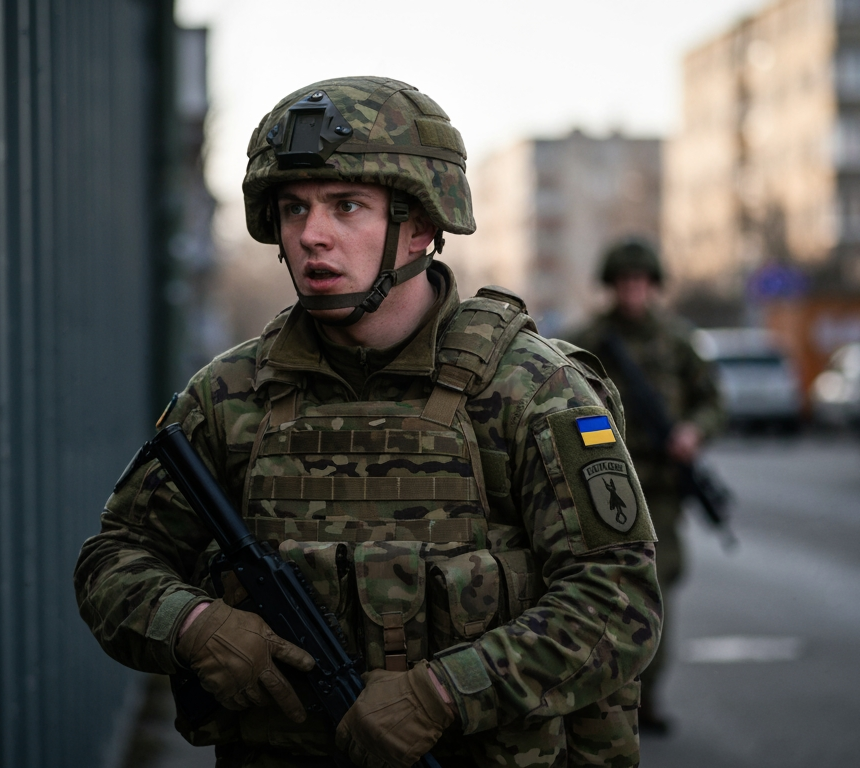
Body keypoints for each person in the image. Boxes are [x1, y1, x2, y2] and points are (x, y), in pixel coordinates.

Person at [75, 77, 661, 768]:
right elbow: (114, 559)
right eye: (293, 209)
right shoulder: (230, 396)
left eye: (346, 206)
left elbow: (618, 597)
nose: (311, 235)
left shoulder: (531, 390)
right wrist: (195, 625)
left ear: (421, 226)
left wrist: (444, 694)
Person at [565, 238, 725, 734]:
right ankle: (598, 699)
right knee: (597, 591)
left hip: (660, 489)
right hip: (599, 489)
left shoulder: (678, 341)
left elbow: (712, 401)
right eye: (623, 281)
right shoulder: (587, 340)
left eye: (640, 281)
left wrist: (693, 431)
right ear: (611, 285)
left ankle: (644, 699)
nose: (632, 290)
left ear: (653, 284)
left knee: (655, 591)